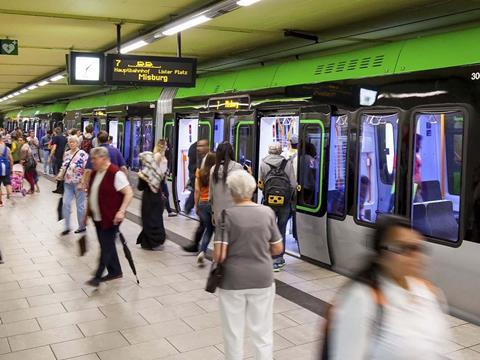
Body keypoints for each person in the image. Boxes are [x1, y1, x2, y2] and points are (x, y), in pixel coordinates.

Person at [328, 215, 450, 359]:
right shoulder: (362, 298)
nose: (414, 255)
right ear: (380, 255)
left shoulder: (428, 292)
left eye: (417, 247)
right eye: (402, 248)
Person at [214, 170, 283, 360]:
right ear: (252, 189)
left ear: (232, 192)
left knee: (233, 334)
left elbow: (219, 255)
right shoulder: (267, 212)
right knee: (262, 332)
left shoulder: (226, 215)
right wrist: (259, 252)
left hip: (232, 281)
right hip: (262, 278)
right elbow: (277, 248)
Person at [85, 147, 133, 287]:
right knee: (107, 244)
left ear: (104, 159)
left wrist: (121, 211)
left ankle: (97, 276)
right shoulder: (95, 173)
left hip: (111, 217)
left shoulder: (115, 173)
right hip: (98, 217)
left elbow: (128, 193)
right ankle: (115, 271)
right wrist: (87, 214)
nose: (92, 161)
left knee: (105, 246)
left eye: (94, 159)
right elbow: (92, 193)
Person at [259, 143, 296, 271]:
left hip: (269, 202)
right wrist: (288, 197)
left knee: (269, 229)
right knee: (281, 229)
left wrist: (267, 193)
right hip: (284, 203)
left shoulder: (263, 163)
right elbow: (292, 184)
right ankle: (279, 259)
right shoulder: (287, 163)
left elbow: (261, 183)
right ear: (280, 151)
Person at [182, 139, 210, 252]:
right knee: (205, 225)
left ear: (207, 147)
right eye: (198, 146)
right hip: (203, 199)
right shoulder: (198, 157)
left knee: (207, 226)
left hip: (207, 199)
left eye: (202, 146)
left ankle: (200, 248)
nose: (199, 148)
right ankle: (198, 247)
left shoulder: (210, 159)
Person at [58, 136, 88, 235]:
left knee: (80, 206)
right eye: (70, 142)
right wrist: (60, 174)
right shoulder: (66, 154)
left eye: (73, 142)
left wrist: (83, 182)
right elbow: (64, 166)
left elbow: (87, 170)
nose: (71, 144)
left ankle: (82, 226)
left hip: (79, 183)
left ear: (77, 143)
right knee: (66, 204)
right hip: (68, 183)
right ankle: (67, 227)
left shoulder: (83, 154)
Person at [136, 151, 167, 250]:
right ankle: (158, 240)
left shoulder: (144, 173)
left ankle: (149, 242)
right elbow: (162, 185)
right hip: (157, 199)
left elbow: (140, 187)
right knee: (157, 219)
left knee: (148, 220)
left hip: (148, 200)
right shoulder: (158, 171)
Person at [195, 152, 216, 265]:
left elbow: (197, 191)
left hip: (202, 204)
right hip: (212, 204)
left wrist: (196, 206)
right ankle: (216, 256)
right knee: (217, 231)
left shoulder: (199, 172)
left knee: (208, 229)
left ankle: (202, 251)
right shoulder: (216, 172)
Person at [159, 139, 177, 217]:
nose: (167, 146)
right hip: (160, 179)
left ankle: (167, 211)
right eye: (165, 145)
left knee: (165, 194)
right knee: (164, 194)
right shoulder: (158, 155)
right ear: (162, 145)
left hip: (163, 178)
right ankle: (167, 211)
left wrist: (166, 171)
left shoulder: (163, 155)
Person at [50, 127, 68, 193]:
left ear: (55, 132)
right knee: (62, 172)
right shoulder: (65, 138)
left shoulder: (55, 137)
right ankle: (61, 188)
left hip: (58, 157)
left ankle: (59, 189)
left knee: (58, 172)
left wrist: (50, 156)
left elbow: (54, 147)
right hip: (64, 157)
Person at [0, 134, 13, 207]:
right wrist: (11, 169)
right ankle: (10, 198)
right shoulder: (7, 148)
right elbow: (11, 160)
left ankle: (0, 202)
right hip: (6, 168)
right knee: (8, 184)